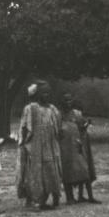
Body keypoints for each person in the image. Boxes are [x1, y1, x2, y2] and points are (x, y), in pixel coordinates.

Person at [18, 81, 64, 209]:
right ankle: (35, 200)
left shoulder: (52, 109)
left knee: (50, 171)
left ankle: (49, 198)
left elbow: (58, 126)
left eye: (48, 93)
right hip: (35, 147)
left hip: (50, 146)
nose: (46, 95)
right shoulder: (31, 108)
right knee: (34, 172)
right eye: (43, 93)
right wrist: (24, 145)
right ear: (37, 94)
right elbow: (24, 127)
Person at [59, 93, 99, 204]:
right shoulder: (58, 115)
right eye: (66, 100)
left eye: (70, 100)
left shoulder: (76, 114)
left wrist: (86, 125)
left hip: (76, 145)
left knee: (83, 169)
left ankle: (88, 196)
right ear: (62, 102)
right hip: (64, 147)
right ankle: (70, 197)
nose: (68, 103)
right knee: (67, 171)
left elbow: (82, 128)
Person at [16, 83, 38, 205]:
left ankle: (31, 197)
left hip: (30, 143)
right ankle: (30, 197)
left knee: (29, 171)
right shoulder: (30, 108)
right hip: (30, 144)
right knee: (29, 171)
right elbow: (26, 127)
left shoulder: (31, 108)